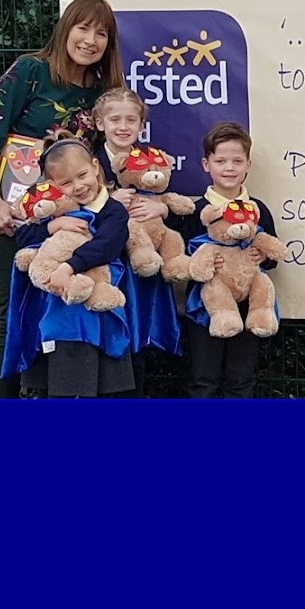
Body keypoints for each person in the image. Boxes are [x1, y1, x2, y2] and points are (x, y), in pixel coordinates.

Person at [0, 0, 125, 398]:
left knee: (61, 312)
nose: (90, 40)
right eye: (83, 28)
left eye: (101, 33)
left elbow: (105, 160)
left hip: (73, 222)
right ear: (65, 29)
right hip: (13, 214)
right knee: (13, 315)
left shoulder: (104, 93)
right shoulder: (30, 70)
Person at [3, 132, 134, 398]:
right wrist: (53, 226)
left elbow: (107, 245)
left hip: (99, 310)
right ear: (51, 186)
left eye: (82, 175)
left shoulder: (113, 210)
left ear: (95, 167)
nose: (78, 186)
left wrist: (68, 267)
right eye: (66, 183)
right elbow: (22, 237)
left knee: (104, 387)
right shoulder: (53, 212)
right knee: (60, 383)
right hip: (59, 313)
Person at [176, 122, 280, 398]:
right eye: (221, 161)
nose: (229, 168)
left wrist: (263, 256)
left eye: (237, 161)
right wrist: (205, 265)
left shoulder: (259, 210)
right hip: (204, 309)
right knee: (203, 378)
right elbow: (183, 258)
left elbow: (273, 255)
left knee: (241, 378)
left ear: (248, 164)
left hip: (247, 308)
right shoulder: (195, 211)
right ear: (206, 164)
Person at [92, 88, 183, 397]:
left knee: (137, 342)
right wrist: (107, 201)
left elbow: (177, 209)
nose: (123, 126)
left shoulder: (151, 161)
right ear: (100, 123)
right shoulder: (89, 162)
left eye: (131, 120)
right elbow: (71, 206)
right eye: (115, 119)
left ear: (141, 125)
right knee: (106, 340)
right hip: (103, 268)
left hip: (140, 271)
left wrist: (162, 209)